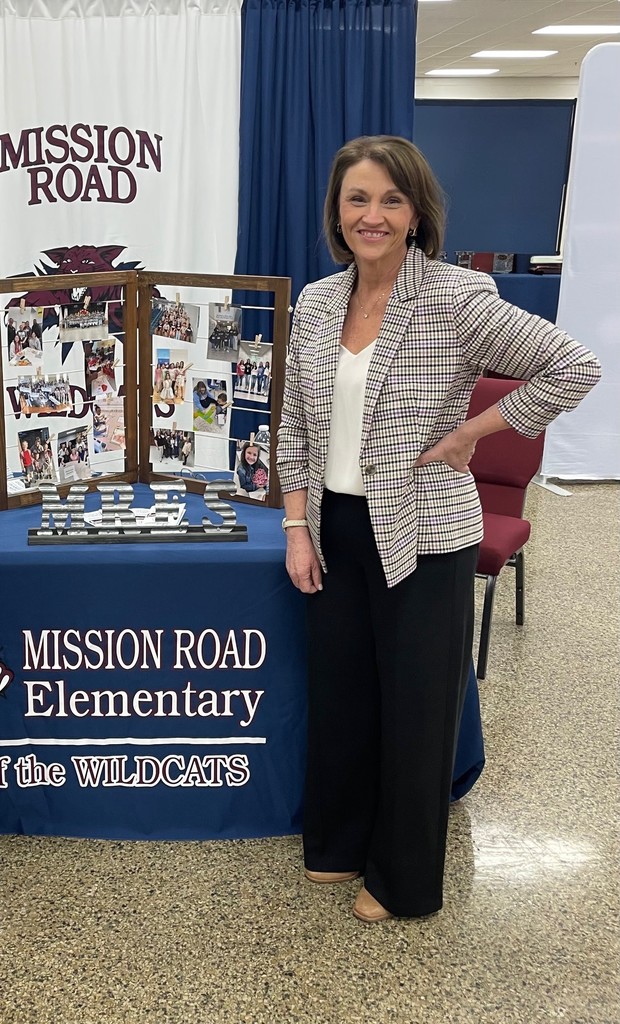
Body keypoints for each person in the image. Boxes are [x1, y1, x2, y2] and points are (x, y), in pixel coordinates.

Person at [276, 135, 601, 925]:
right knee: (343, 698)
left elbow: (575, 367)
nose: (373, 215)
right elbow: (293, 424)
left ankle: (403, 881)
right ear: (337, 212)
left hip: (425, 533)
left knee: (417, 712)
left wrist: (474, 433)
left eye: (391, 200)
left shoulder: (457, 297)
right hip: (333, 524)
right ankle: (339, 843)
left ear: (417, 212)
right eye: (358, 199)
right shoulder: (319, 301)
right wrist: (295, 525)